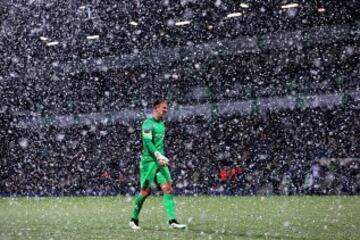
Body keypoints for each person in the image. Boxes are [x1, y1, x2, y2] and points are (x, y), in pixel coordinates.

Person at [129, 99, 186, 230]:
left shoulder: (162, 124)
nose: (166, 110)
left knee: (168, 188)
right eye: (163, 108)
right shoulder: (147, 124)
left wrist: (161, 156)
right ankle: (133, 219)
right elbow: (148, 143)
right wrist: (157, 154)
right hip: (149, 162)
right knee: (145, 192)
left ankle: (172, 221)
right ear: (156, 108)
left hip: (160, 161)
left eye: (167, 108)